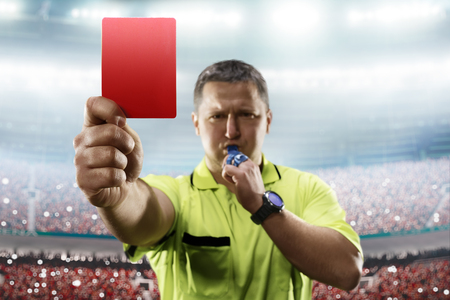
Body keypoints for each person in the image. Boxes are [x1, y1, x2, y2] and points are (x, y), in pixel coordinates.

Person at [73, 60, 363, 299]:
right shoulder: (176, 192)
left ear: (268, 121)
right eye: (217, 116)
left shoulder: (306, 188)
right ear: (197, 123)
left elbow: (347, 270)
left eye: (247, 114)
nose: (231, 130)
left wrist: (264, 208)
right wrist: (118, 196)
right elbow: (142, 215)